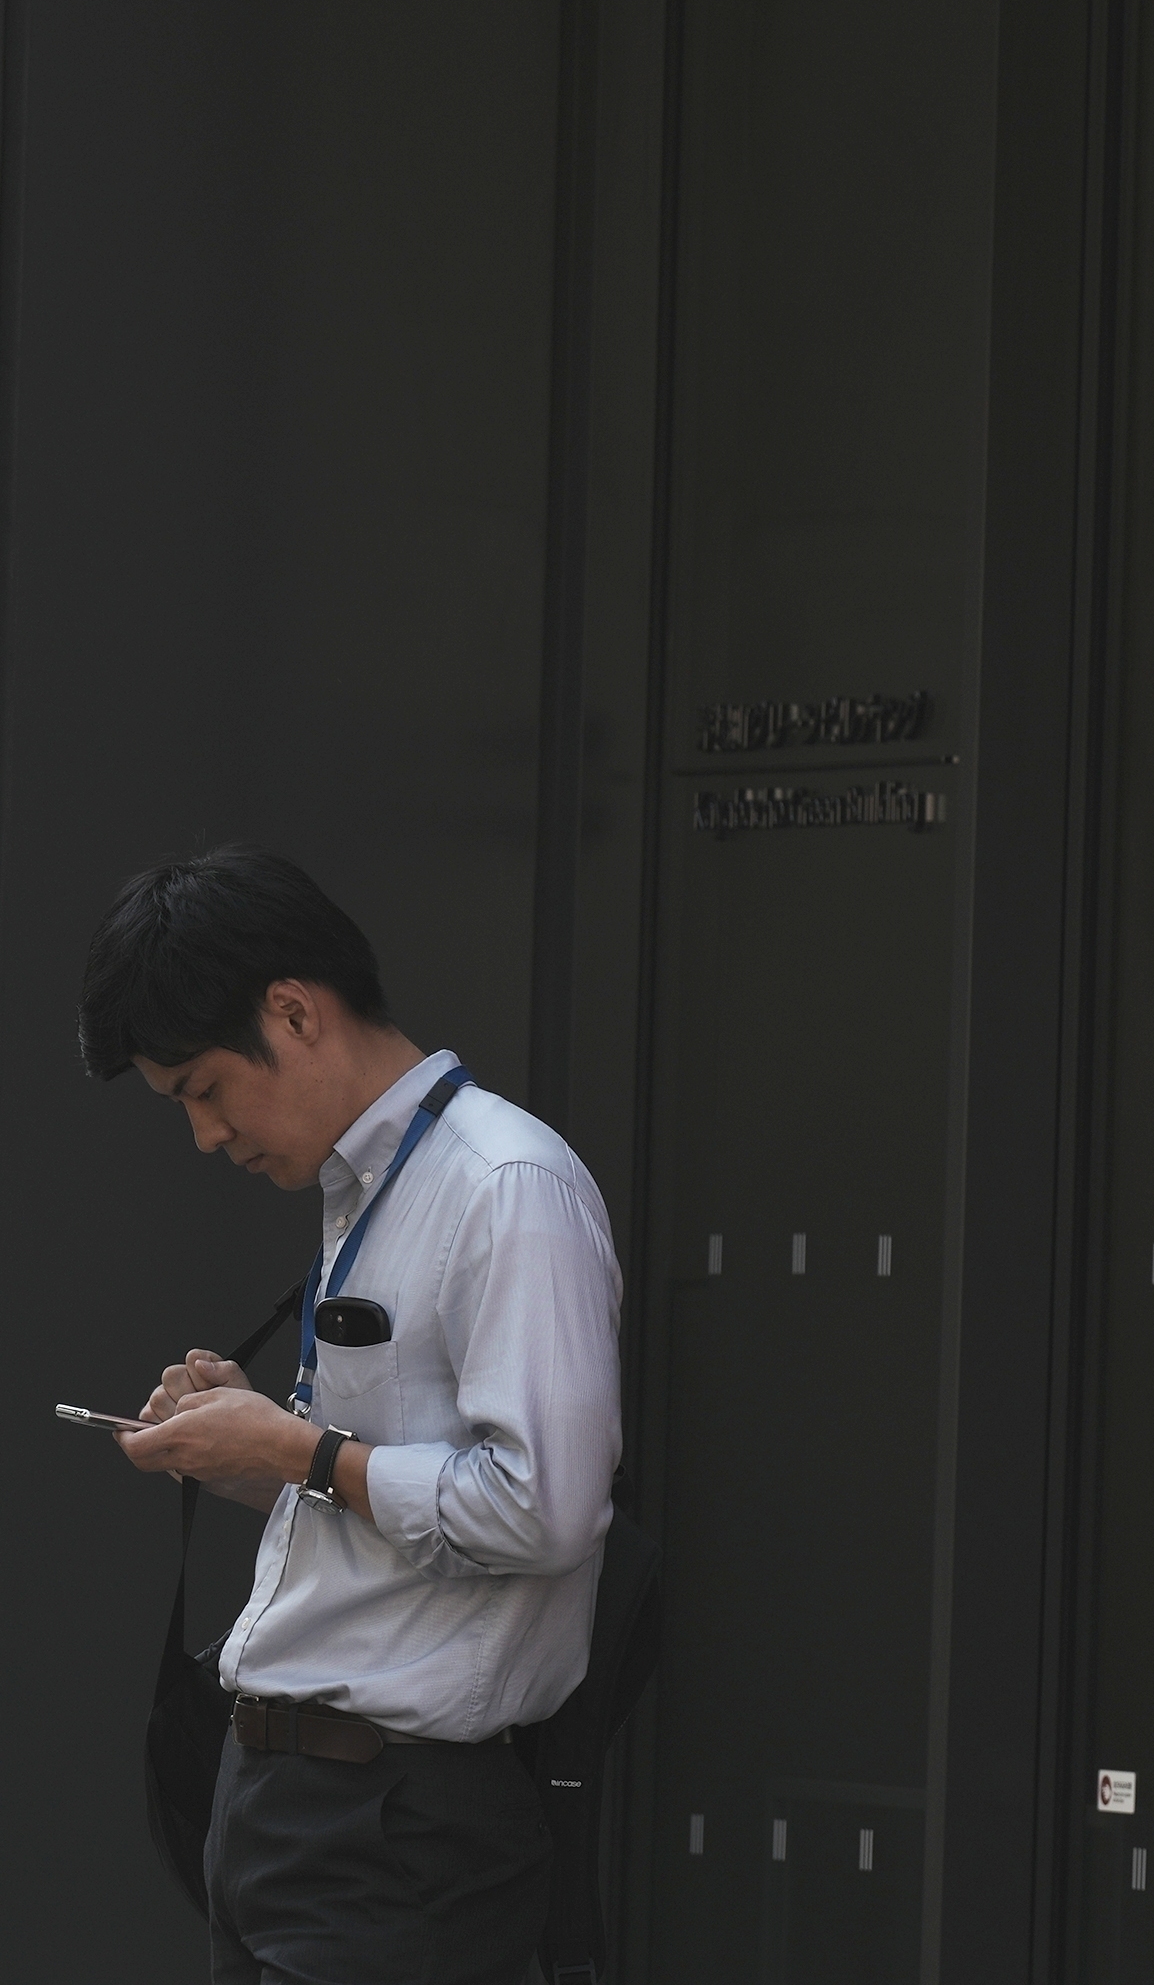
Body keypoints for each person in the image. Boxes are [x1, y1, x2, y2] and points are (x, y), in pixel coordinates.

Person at [78, 844, 622, 1985]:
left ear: (294, 1010)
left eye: (206, 1089)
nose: (207, 1135)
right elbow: (378, 1481)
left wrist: (294, 1444)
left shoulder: (506, 1185)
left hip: (400, 1815)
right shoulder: (365, 1186)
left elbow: (546, 1507)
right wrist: (246, 1444)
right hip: (291, 1803)